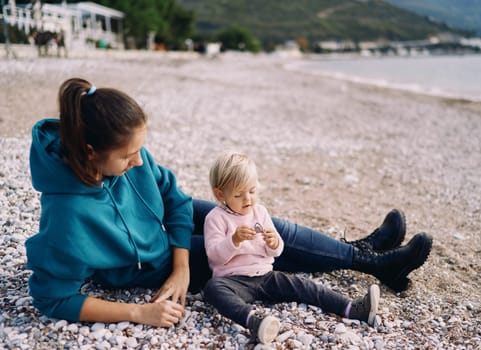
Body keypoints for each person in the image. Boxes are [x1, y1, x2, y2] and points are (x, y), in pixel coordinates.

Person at [25, 78, 432, 328]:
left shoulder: (129, 156)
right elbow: (52, 297)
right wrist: (138, 313)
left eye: (140, 150)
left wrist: (184, 267)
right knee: (250, 246)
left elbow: (177, 201)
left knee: (259, 220)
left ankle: (365, 256)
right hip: (150, 263)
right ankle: (374, 261)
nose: (138, 161)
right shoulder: (66, 218)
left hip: (170, 243)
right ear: (92, 153)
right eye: (128, 156)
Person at [202, 152, 381, 344]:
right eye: (238, 194)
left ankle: (353, 308)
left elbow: (277, 250)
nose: (248, 199)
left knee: (304, 286)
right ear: (221, 194)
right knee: (213, 289)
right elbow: (214, 256)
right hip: (233, 281)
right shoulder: (215, 218)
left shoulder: (259, 212)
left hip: (265, 276)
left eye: (252, 191)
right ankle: (254, 321)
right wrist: (233, 241)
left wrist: (274, 243)